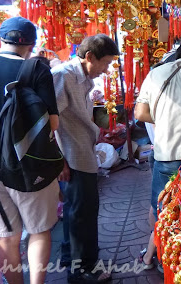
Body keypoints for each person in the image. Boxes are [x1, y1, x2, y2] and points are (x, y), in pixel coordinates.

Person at [0, 17, 60, 284]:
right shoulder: (36, 69)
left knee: (7, 237)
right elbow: (53, 122)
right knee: (38, 231)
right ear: (31, 43)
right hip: (29, 164)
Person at [52, 34, 119, 283]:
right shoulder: (63, 76)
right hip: (72, 157)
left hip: (81, 153)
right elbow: (48, 122)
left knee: (77, 212)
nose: (106, 70)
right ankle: (82, 272)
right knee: (82, 214)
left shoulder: (81, 78)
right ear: (89, 57)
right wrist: (59, 160)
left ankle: (74, 260)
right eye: (105, 63)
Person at [135, 38, 181, 269]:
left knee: (161, 207)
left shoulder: (155, 73)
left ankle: (159, 256)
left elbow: (140, 113)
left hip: (167, 151)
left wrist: (165, 120)